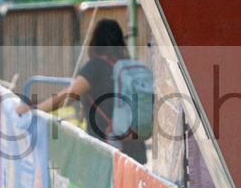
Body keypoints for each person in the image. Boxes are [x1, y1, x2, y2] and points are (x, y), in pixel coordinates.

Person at [17, 19, 146, 164]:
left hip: (107, 149)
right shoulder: (131, 66)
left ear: (95, 41)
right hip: (136, 147)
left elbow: (68, 96)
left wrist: (33, 110)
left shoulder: (95, 66)